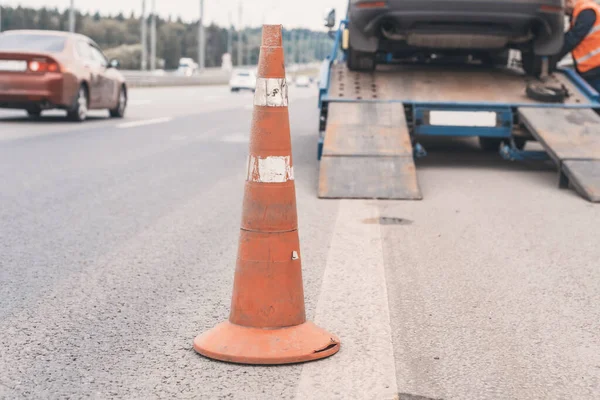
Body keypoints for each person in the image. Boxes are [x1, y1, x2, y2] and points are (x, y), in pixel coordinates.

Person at [557, 0, 600, 91]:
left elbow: (573, 38)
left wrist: (553, 58)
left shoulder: (587, 11)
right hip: (592, 68)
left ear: (568, 2)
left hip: (596, 68)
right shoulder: (584, 10)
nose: (563, 11)